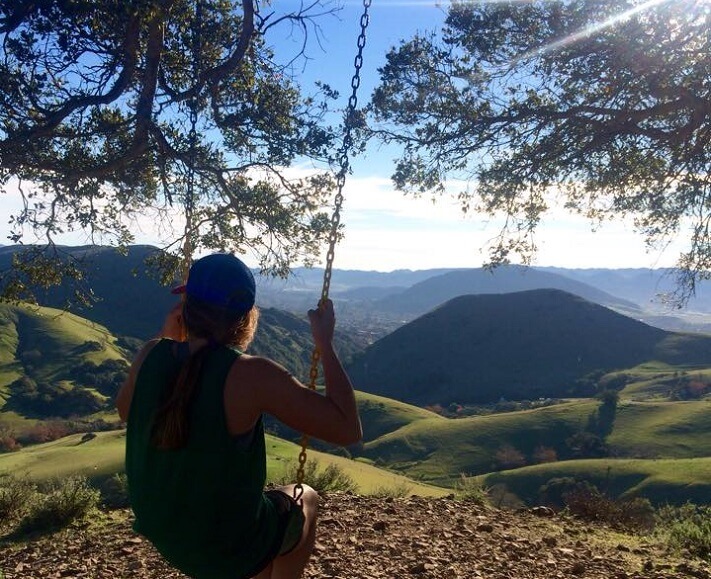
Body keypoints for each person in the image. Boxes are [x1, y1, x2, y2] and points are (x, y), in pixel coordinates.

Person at [116, 253, 362, 579]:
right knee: (308, 499)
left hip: (164, 535)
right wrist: (325, 344)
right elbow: (347, 429)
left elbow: (124, 411)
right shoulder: (249, 374)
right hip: (228, 549)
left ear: (185, 306)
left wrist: (168, 339)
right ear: (247, 316)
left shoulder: (150, 353)